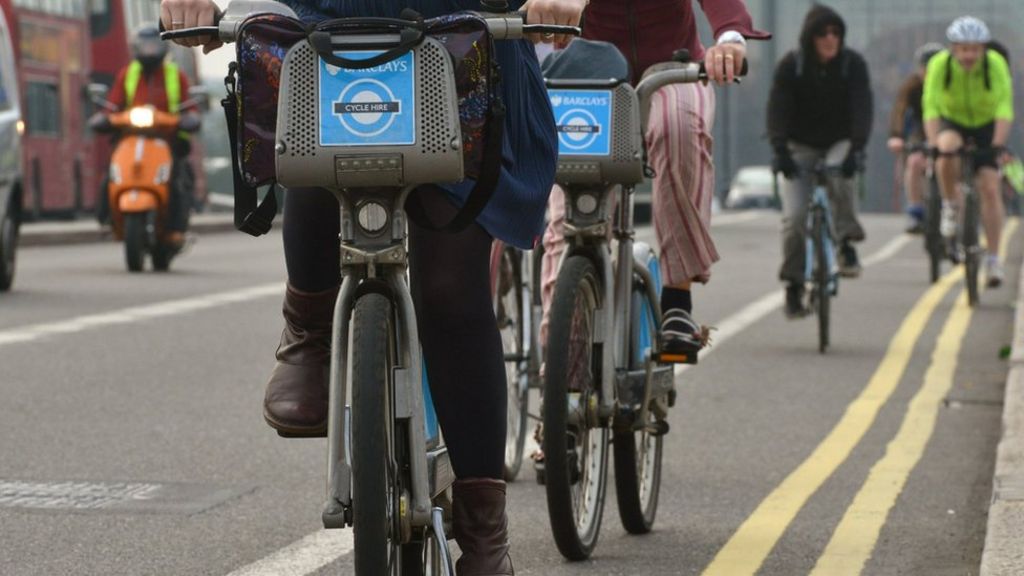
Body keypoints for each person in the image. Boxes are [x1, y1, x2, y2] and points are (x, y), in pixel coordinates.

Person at [162, 0, 586, 574]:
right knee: (309, 149)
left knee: (450, 287)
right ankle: (308, 332)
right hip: (326, 33)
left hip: (465, 44)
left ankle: (485, 537)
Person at [539, 0, 770, 363]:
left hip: (673, 67)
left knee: (679, 128)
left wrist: (730, 37)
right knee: (565, 214)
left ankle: (677, 298)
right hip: (590, 71)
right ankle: (564, 373)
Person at [767, 4, 872, 318]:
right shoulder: (791, 65)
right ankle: (794, 285)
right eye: (823, 33)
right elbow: (777, 109)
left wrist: (856, 150)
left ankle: (846, 243)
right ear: (810, 38)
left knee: (840, 174)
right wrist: (780, 151)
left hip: (840, 141)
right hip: (800, 144)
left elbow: (862, 108)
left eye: (836, 33)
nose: (830, 39)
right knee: (795, 218)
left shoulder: (852, 65)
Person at [923, 16, 1014, 288]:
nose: (969, 55)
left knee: (989, 187)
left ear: (983, 49)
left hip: (986, 125)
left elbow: (1004, 107)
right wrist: (932, 141)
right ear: (953, 48)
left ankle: (995, 259)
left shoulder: (995, 65)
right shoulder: (939, 65)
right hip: (955, 121)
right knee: (946, 149)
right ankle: (950, 205)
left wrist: (997, 144)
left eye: (975, 49)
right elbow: (931, 106)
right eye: (963, 49)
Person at [92, 26, 199, 247]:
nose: (150, 51)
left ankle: (177, 228)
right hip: (130, 137)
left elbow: (190, 108)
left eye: (154, 46)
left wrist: (188, 119)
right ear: (136, 48)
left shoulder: (175, 75)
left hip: (167, 140)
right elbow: (112, 106)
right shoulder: (127, 74)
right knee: (110, 175)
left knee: (179, 179)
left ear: (163, 48)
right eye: (145, 46)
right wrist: (104, 118)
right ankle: (106, 220)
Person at [887, 42, 943, 234]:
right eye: (924, 67)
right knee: (914, 162)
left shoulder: (953, 83)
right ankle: (916, 210)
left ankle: (958, 214)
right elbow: (900, 112)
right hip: (921, 132)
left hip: (947, 131)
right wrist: (896, 136)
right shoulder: (911, 86)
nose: (928, 72)